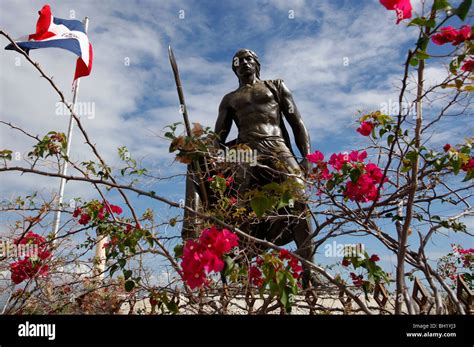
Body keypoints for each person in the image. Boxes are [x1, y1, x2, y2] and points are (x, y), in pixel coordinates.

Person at [214, 49, 315, 285]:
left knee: (300, 201)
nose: (245, 63)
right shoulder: (229, 99)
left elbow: (297, 122)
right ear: (234, 68)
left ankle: (309, 272)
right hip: (246, 153)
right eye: (239, 61)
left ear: (257, 64)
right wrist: (208, 149)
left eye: (249, 59)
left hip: (277, 147)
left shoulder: (276, 86)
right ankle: (240, 271)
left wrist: (306, 156)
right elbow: (218, 137)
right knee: (240, 210)